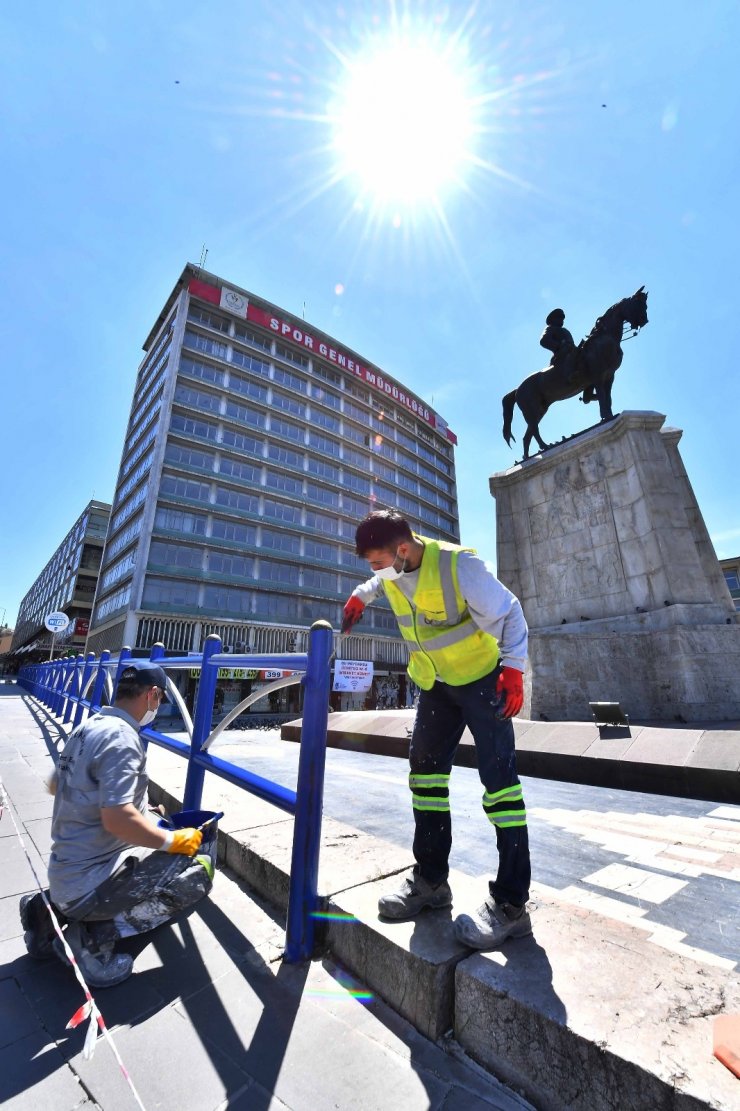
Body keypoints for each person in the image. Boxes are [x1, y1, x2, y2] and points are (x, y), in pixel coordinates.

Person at [341, 511, 531, 950]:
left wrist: (514, 669)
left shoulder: (458, 567)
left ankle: (511, 904)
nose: (375, 571)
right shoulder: (394, 569)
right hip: (436, 685)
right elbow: (378, 582)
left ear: (403, 551)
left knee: (501, 788)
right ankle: (430, 881)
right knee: (424, 778)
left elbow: (511, 612)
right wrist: (359, 594)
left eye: (377, 562)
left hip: (484, 682)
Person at [20, 660, 214, 987]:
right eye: (160, 700)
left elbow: (56, 785)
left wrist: (139, 806)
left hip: (66, 871)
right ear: (152, 696)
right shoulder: (123, 739)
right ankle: (92, 941)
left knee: (157, 837)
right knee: (197, 871)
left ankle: (48, 910)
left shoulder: (87, 727)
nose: (159, 706)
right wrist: (173, 841)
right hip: (90, 882)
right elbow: (117, 819)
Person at [539, 308, 576, 379]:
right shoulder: (550, 328)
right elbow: (544, 340)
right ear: (553, 319)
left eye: (562, 319)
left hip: (572, 352)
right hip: (561, 356)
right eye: (559, 318)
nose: (562, 320)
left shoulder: (565, 330)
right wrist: (559, 346)